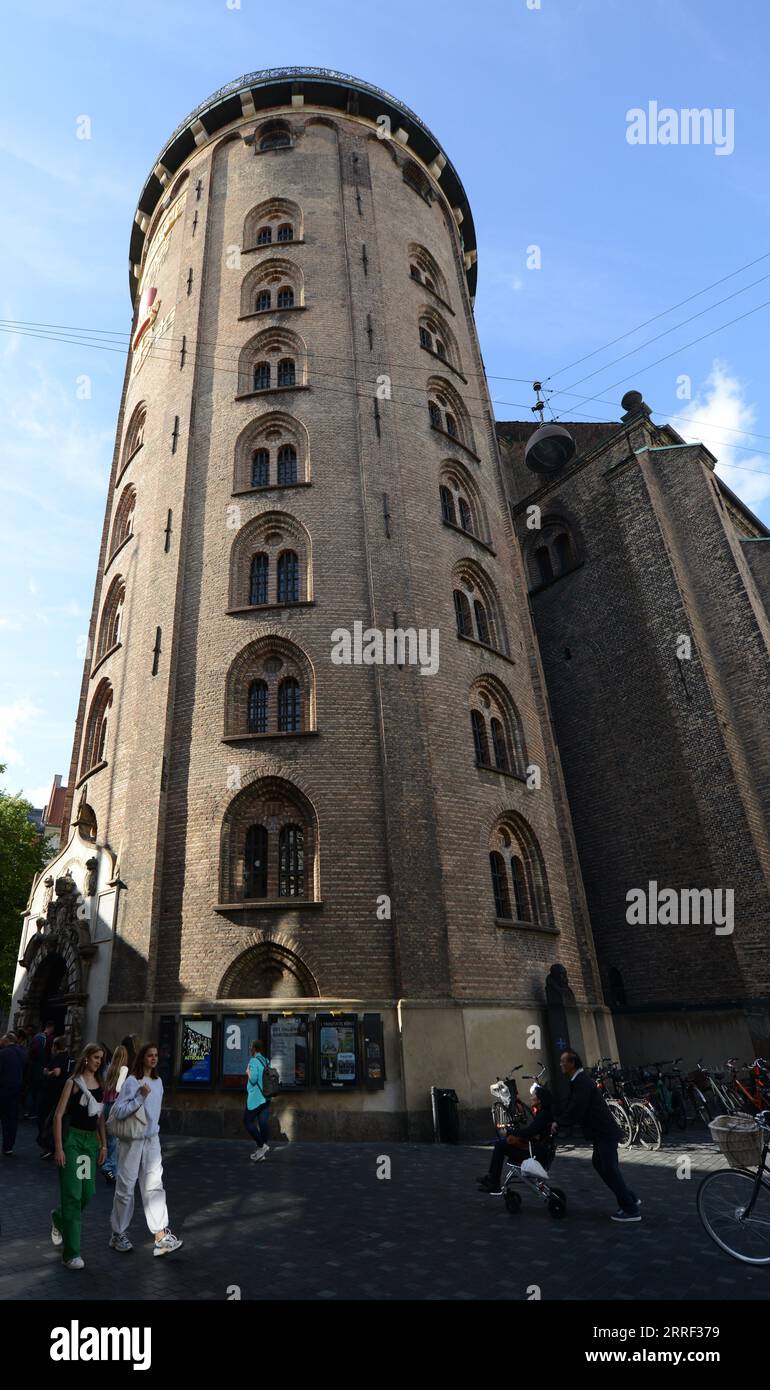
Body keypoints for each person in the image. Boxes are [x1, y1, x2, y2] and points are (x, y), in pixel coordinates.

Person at [108, 1041, 183, 1256]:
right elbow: (119, 1111)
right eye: (150, 1055)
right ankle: (118, 1233)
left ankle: (160, 1235)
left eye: (156, 1055)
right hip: (132, 1141)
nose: (153, 1058)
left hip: (152, 1140)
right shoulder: (132, 1081)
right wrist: (140, 1097)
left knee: (155, 1186)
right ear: (142, 1057)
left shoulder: (158, 1081)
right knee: (126, 1187)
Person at [552, 1050, 641, 1222]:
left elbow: (577, 1108)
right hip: (600, 1132)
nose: (561, 1064)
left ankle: (631, 1209)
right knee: (600, 1164)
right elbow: (571, 1104)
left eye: (563, 1061)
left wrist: (560, 1123)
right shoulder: (578, 1080)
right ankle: (630, 1197)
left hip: (604, 1132)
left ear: (572, 1063)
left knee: (609, 1168)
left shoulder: (581, 1082)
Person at [51, 1043, 108, 1269]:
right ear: (86, 1058)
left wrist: (103, 1145)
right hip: (73, 1142)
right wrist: (59, 1148)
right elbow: (58, 1116)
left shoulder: (100, 1084)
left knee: (87, 1191)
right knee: (73, 1195)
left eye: (101, 1058)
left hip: (89, 1144)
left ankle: (58, 1216)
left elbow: (100, 1117)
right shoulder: (72, 1083)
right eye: (96, 1057)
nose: (99, 1061)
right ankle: (71, 1254)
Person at [478, 1084, 556, 1195]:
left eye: (533, 1095)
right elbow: (531, 1131)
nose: (530, 1097)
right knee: (502, 1143)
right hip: (538, 1150)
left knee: (500, 1146)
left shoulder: (543, 1115)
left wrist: (511, 1132)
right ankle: (491, 1178)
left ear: (539, 1100)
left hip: (535, 1155)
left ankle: (493, 1182)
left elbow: (529, 1132)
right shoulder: (544, 1113)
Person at [99, 1045, 129, 1183]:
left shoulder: (109, 1068)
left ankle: (112, 1168)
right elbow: (120, 1089)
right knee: (115, 1139)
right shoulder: (123, 1071)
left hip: (105, 1105)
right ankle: (109, 1166)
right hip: (115, 1106)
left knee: (108, 1136)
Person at [37, 1036, 70, 1157]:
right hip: (62, 1093)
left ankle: (50, 1146)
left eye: (53, 1046)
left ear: (56, 1047)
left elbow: (57, 1072)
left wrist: (47, 1073)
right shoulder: (68, 1057)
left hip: (53, 1093)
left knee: (49, 1120)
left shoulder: (58, 1058)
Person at [244, 1039, 271, 1162]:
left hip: (256, 1099)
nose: (250, 1049)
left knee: (247, 1121)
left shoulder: (253, 1061)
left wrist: (248, 1072)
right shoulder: (266, 1061)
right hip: (266, 1098)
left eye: (251, 1047)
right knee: (263, 1124)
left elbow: (254, 1079)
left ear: (254, 1049)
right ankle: (261, 1153)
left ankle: (262, 1145)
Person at [0, 1033, 26, 1155]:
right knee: (12, 1119)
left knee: (5, 1118)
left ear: (7, 1041)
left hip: (4, 1090)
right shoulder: (22, 1053)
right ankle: (8, 1146)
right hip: (17, 1090)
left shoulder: (3, 1053)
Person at [26, 1022, 55, 1119]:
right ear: (50, 1027)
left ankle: (28, 1111)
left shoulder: (36, 1037)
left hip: (32, 1069)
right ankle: (35, 1112)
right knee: (39, 1092)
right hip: (42, 1069)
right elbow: (49, 1055)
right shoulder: (49, 1039)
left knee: (31, 1091)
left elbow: (30, 1053)